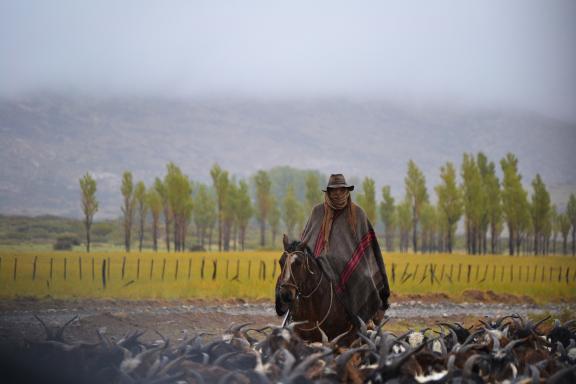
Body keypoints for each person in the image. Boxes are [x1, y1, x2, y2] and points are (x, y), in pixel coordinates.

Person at [300, 173, 390, 324]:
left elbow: (368, 248)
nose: (337, 193)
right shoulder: (317, 212)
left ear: (347, 191)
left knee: (365, 278)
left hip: (351, 267)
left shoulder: (358, 214)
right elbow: (307, 240)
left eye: (341, 190)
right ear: (328, 192)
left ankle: (364, 320)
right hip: (320, 266)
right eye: (333, 190)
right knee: (297, 280)